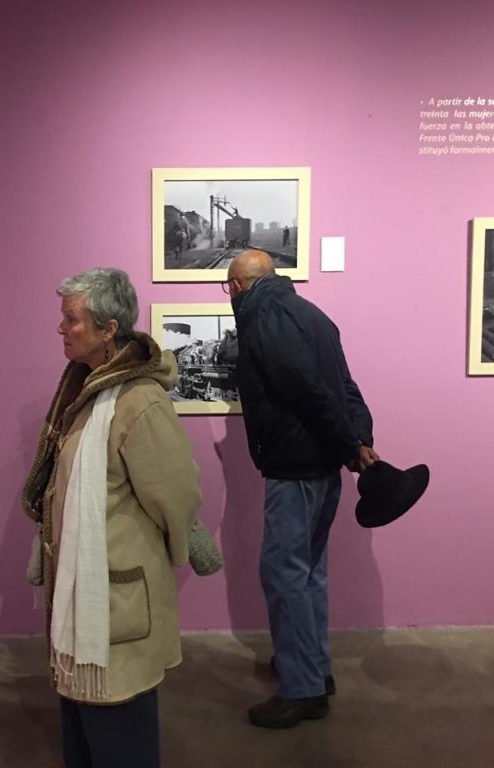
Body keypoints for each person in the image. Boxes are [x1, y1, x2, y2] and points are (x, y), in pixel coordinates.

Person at [22, 268, 202, 768]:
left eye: (71, 319)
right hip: (85, 597)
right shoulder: (87, 393)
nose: (61, 328)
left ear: (109, 328)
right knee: (87, 730)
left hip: (116, 597)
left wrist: (176, 544)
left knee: (121, 732)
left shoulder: (138, 401)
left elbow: (176, 493)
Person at [225, 249, 378, 729]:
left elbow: (309, 390)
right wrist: (358, 440)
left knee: (285, 574)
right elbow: (345, 386)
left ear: (239, 286)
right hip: (324, 466)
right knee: (309, 572)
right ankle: (314, 667)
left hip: (294, 469)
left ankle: (303, 689)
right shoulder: (314, 315)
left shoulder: (264, 318)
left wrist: (349, 442)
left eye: (228, 287)